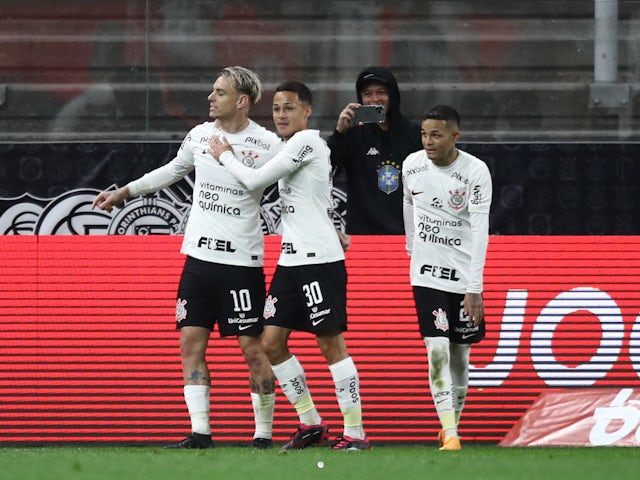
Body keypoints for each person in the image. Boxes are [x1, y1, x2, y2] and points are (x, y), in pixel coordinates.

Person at [92, 66, 282, 449]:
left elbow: (296, 187)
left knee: (252, 349)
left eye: (219, 92)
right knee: (190, 344)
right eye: (212, 91)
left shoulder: (268, 144)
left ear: (241, 101)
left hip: (241, 263)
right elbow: (173, 171)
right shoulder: (199, 135)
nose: (210, 98)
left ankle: (263, 435)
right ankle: (200, 433)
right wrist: (125, 192)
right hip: (198, 261)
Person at [208, 81, 369, 451]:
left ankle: (356, 432)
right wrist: (333, 223)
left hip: (318, 261)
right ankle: (310, 421)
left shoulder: (307, 142)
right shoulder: (291, 146)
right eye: (277, 108)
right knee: (271, 342)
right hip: (291, 260)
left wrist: (224, 153)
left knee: (331, 345)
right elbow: (317, 198)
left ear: (306, 112)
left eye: (289, 108)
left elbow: (254, 180)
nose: (281, 115)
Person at [401, 105, 492, 451]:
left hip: (463, 276)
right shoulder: (412, 164)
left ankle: (451, 425)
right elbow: (408, 204)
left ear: (456, 136)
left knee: (460, 357)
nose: (428, 141)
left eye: (436, 134)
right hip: (425, 275)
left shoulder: (475, 172)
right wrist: (412, 248)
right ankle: (451, 434)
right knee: (436, 348)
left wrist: (475, 287)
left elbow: (480, 229)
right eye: (424, 133)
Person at [327, 66, 422, 235]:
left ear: (392, 95)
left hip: (406, 234)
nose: (374, 99)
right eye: (367, 94)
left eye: (381, 92)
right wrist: (339, 132)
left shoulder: (414, 134)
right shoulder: (352, 134)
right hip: (362, 235)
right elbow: (327, 169)